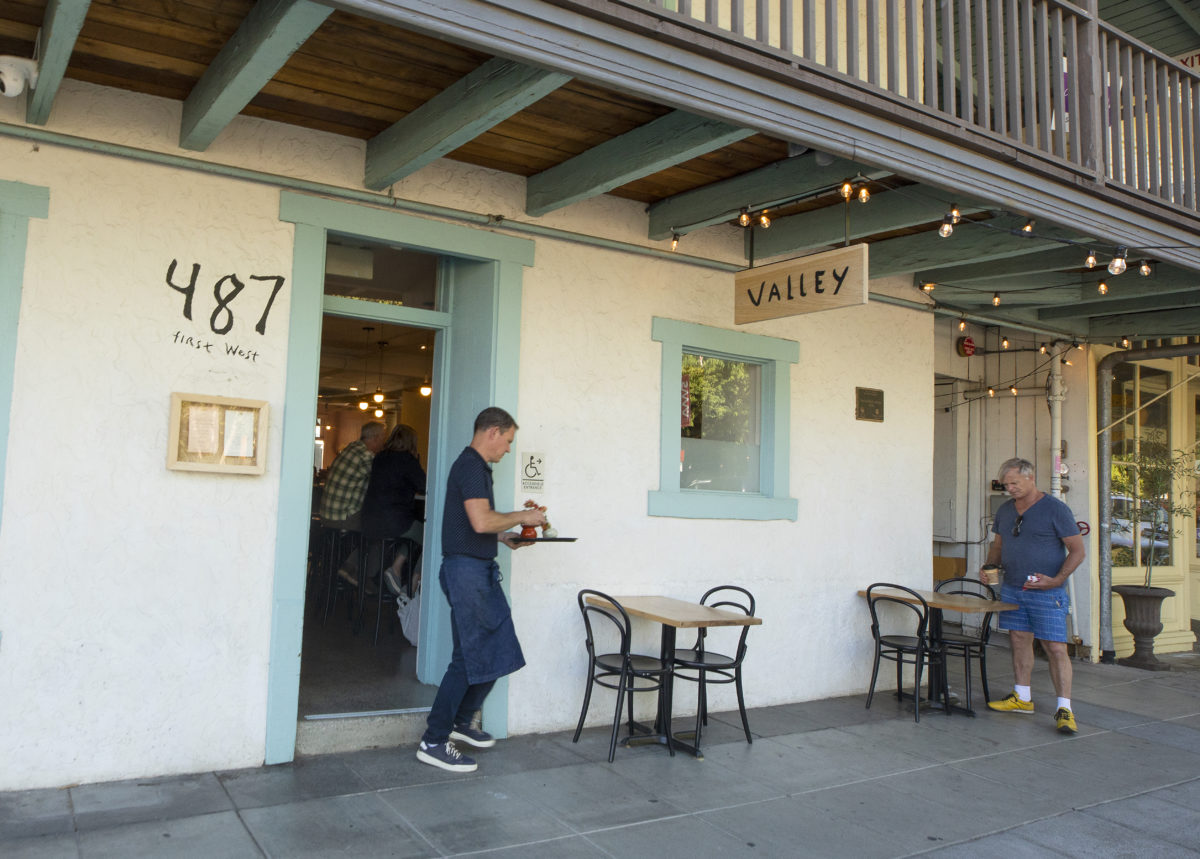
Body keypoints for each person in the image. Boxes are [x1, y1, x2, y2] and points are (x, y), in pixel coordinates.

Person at [415, 407, 546, 773]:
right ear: (492, 432)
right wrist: (523, 516)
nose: (507, 450)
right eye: (507, 441)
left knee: (498, 648)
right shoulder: (470, 466)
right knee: (468, 658)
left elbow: (478, 526)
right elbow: (480, 519)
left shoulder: (475, 467)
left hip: (477, 570)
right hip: (466, 574)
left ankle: (460, 721)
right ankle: (434, 740)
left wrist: (505, 536)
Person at [984, 457, 1086, 733]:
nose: (1010, 489)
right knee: (1018, 640)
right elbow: (998, 544)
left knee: (1055, 647)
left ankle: (1064, 708)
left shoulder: (1056, 509)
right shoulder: (1006, 510)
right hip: (1014, 587)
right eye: (1006, 484)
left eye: (1014, 483)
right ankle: (1022, 696)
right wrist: (990, 566)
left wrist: (1057, 580)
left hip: (1046, 590)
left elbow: (1077, 551)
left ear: (1031, 478)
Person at [361, 423, 426, 595]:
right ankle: (407, 577)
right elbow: (425, 485)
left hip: (369, 521)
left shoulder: (379, 457)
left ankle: (371, 576)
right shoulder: (407, 460)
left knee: (410, 536)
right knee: (429, 536)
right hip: (395, 521)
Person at [319, 421, 387, 582]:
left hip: (327, 515)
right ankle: (357, 574)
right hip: (343, 517)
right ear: (376, 438)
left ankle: (351, 571)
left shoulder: (351, 448)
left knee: (373, 528)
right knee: (381, 531)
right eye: (383, 439)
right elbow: (382, 484)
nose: (383, 443)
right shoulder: (366, 456)